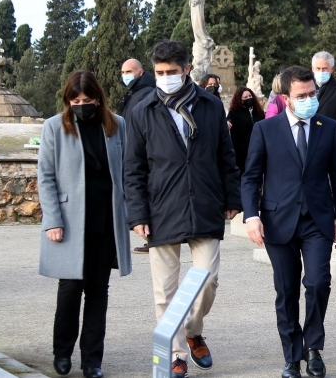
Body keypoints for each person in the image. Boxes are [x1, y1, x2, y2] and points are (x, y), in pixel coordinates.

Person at [123, 41, 242, 378]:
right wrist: (137, 215)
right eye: (159, 73)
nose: (165, 78)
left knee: (207, 281)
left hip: (205, 203)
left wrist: (232, 198)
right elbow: (132, 168)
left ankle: (192, 330)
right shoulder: (142, 109)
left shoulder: (210, 105)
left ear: (187, 69)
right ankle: (175, 353)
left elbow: (225, 155)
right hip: (161, 207)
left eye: (171, 72)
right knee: (165, 290)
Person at [242, 66, 336, 378]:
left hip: (317, 220)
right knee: (287, 290)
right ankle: (292, 356)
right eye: (301, 96)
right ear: (286, 98)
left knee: (318, 283)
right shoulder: (266, 130)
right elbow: (250, 177)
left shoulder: (328, 127)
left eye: (311, 93)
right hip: (278, 221)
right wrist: (252, 217)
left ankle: (313, 348)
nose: (308, 99)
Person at [38, 71, 132, 378]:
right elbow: (46, 177)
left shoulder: (117, 125)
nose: (82, 105)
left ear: (98, 98)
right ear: (67, 101)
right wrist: (52, 219)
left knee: (98, 292)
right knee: (69, 289)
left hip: (106, 221)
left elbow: (128, 171)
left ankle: (92, 360)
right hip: (68, 222)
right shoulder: (54, 127)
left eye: (88, 100)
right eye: (75, 100)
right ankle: (61, 353)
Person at [118, 58, 157, 254]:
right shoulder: (135, 92)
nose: (125, 76)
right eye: (123, 72)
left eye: (129, 71)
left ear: (140, 72)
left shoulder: (146, 93)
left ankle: (152, 237)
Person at [227, 85, 264, 174]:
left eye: (250, 96)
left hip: (257, 148)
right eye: (245, 97)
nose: (248, 98)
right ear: (240, 100)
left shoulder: (258, 111)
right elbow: (228, 124)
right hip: (241, 152)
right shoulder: (234, 113)